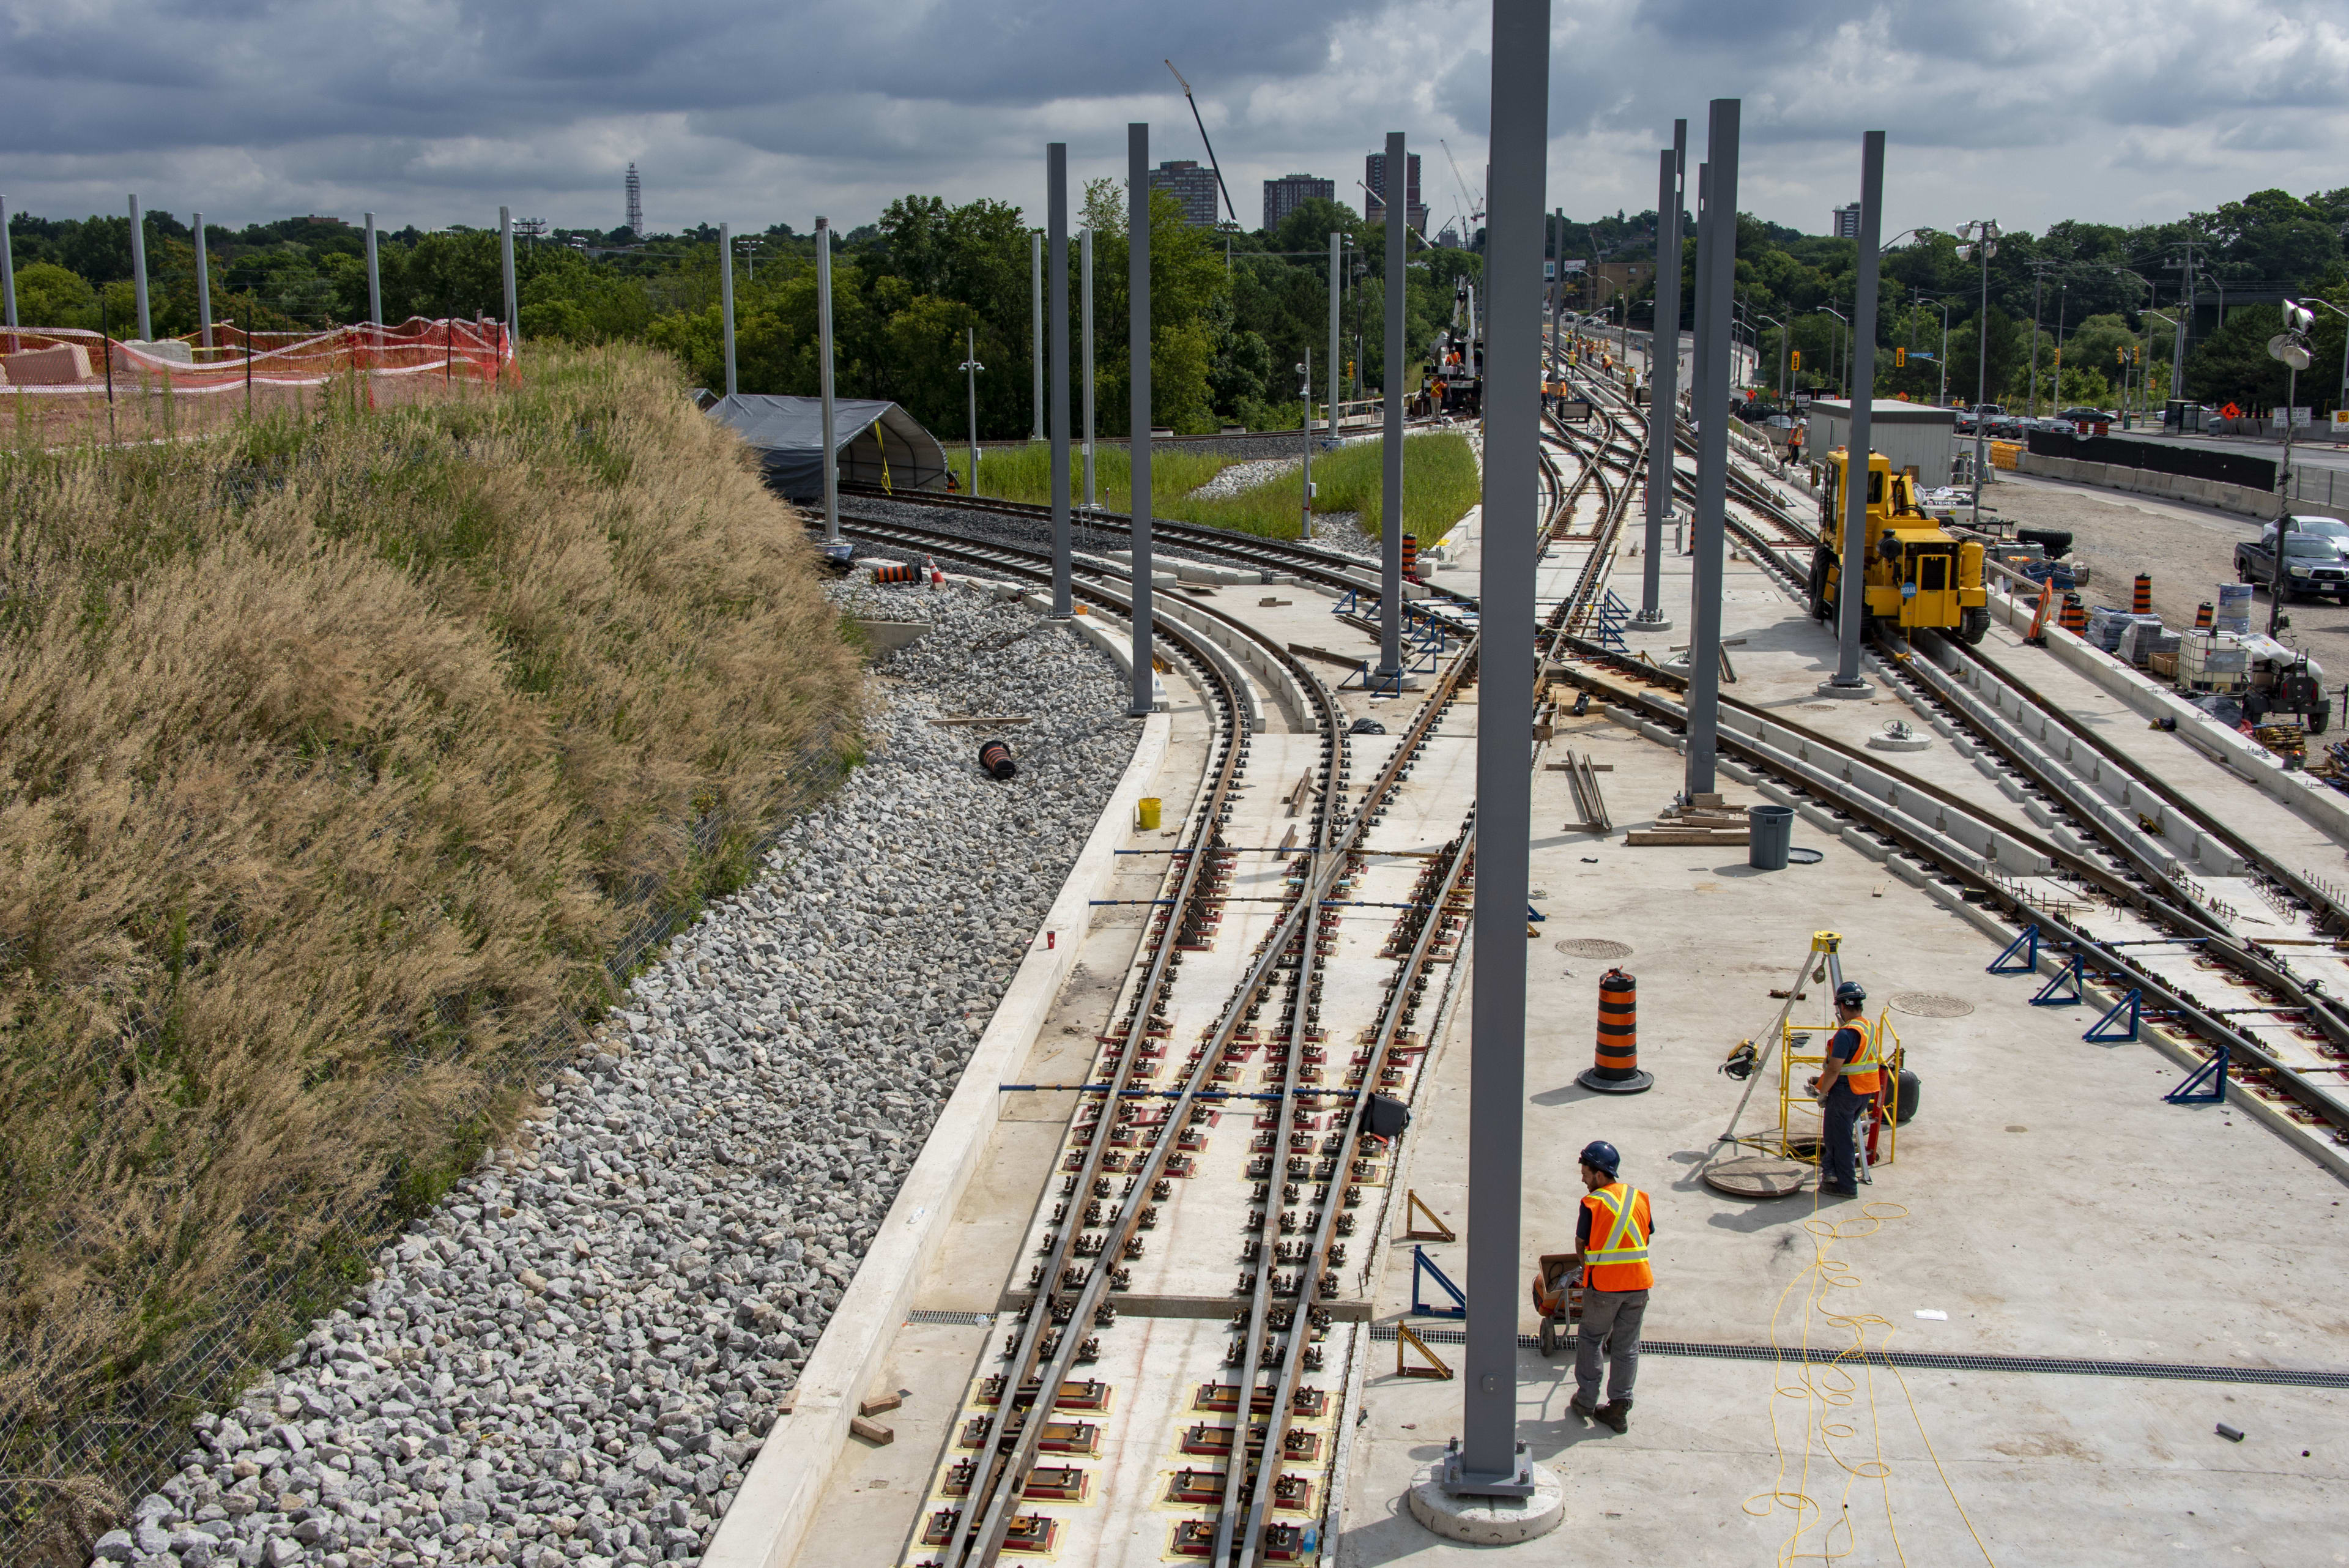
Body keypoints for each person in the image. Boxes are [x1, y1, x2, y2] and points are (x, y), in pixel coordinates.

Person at [1565, 1139, 1651, 1434]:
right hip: (1638, 1285)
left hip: (1604, 1288)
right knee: (1627, 1347)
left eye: (1586, 1173)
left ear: (1600, 1174)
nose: (1583, 1178)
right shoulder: (1639, 1196)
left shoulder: (1592, 1203)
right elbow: (1645, 1235)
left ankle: (1586, 1401)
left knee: (1591, 1339)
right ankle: (1618, 1409)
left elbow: (1581, 1244)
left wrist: (1590, 1266)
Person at [1809, 980, 1882, 1197]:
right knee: (1835, 1135)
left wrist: (1822, 1092)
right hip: (1865, 1091)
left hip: (1846, 1092)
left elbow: (1834, 1069)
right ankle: (1830, 1174)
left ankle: (1846, 1186)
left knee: (1840, 1140)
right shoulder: (1870, 1026)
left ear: (1841, 1007)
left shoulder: (1845, 1034)